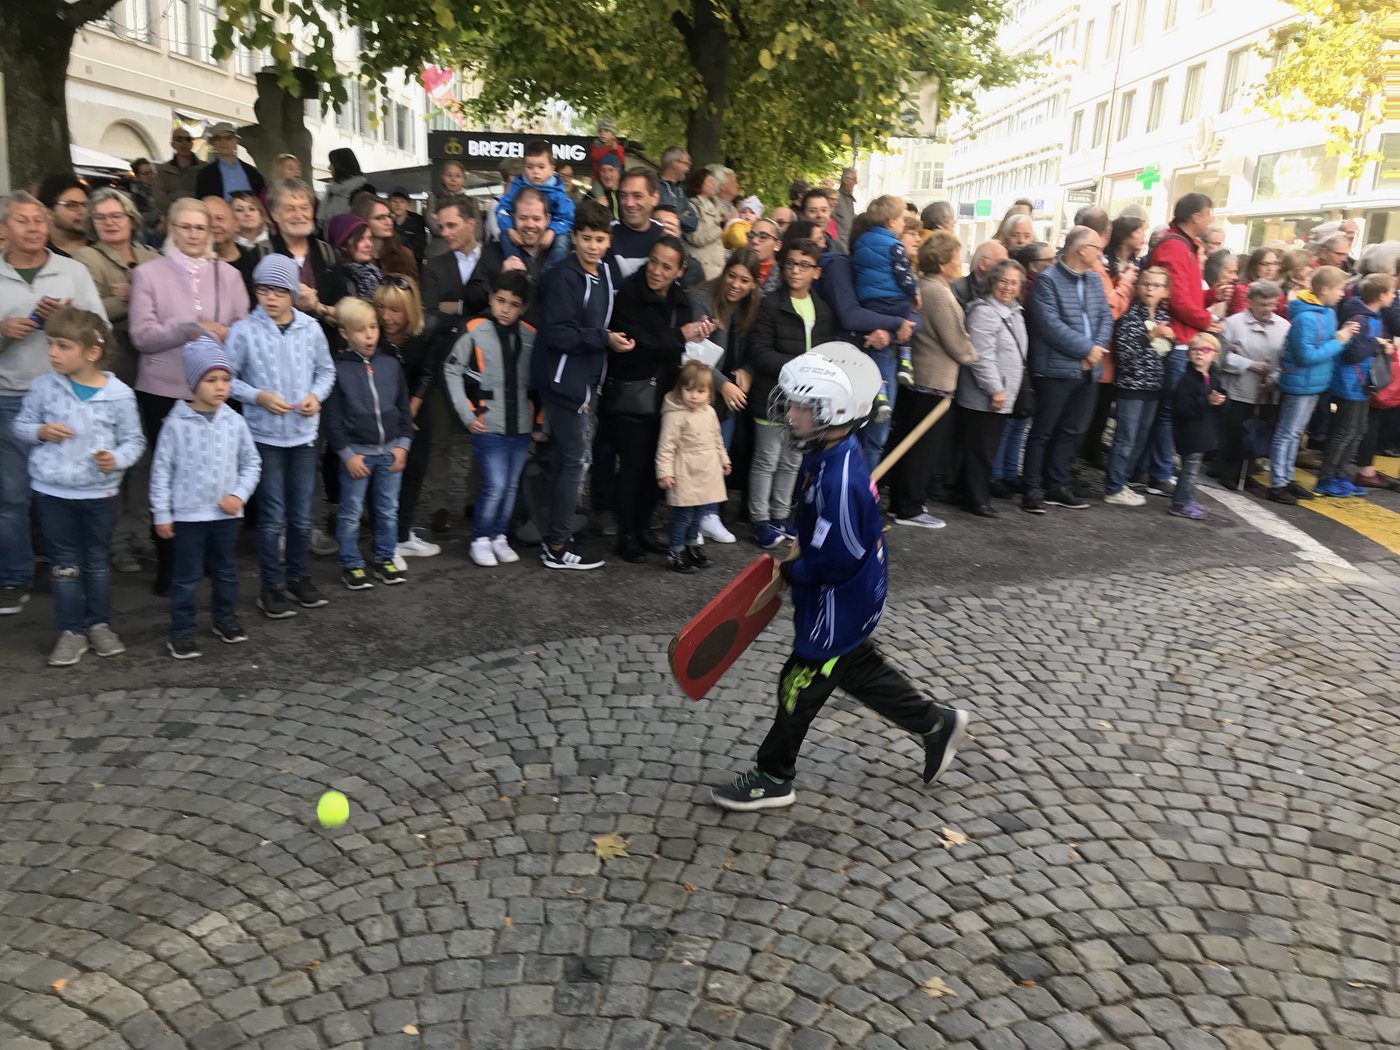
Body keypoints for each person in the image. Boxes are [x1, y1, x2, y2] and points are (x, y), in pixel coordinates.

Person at [711, 350, 968, 812]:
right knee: (855, 668)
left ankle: (773, 775)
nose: (790, 414)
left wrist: (795, 570)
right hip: (843, 598)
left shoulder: (840, 480)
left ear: (831, 414)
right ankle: (936, 724)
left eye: (800, 408)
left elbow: (840, 558)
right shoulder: (828, 455)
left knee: (798, 683)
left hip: (837, 600)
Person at [129, 197, 250, 593]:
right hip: (163, 389)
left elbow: (243, 330)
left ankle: (216, 562)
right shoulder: (149, 274)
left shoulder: (228, 275)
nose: (194, 235)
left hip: (216, 388)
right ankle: (172, 567)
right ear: (170, 228)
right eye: (185, 227)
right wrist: (189, 327)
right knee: (170, 475)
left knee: (218, 471)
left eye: (201, 227)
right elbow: (142, 336)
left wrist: (227, 333)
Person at [14, 307, 144, 666]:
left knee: (98, 562)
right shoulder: (43, 387)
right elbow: (21, 425)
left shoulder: (118, 394)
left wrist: (115, 459)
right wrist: (40, 431)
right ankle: (71, 630)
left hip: (98, 494)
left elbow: (134, 441)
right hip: (53, 492)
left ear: (92, 352)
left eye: (63, 346)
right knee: (64, 564)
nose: (53, 352)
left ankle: (99, 624)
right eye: (51, 344)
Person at [0, 192, 107, 617]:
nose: (32, 228)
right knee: (12, 496)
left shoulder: (72, 271)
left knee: (71, 487)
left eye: (38, 220)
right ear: (4, 228)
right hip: (9, 397)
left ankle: (76, 568)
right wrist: (4, 331)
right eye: (22, 221)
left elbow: (98, 331)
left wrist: (67, 322)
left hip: (65, 397)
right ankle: (14, 575)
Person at [227, 254, 336, 616]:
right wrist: (257, 396)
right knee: (272, 516)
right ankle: (271, 586)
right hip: (264, 436)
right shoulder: (245, 330)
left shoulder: (311, 328)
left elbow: (326, 372)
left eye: (279, 291)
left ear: (293, 293)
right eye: (263, 290)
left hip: (303, 435)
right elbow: (227, 378)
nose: (271, 298)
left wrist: (314, 397)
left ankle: (298, 577)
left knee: (302, 515)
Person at [150, 338, 261, 659]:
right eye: (211, 380)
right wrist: (162, 513)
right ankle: (182, 631)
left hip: (226, 517)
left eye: (225, 379)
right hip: (188, 518)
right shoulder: (174, 425)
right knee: (185, 578)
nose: (220, 387)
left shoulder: (235, 422)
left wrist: (239, 495)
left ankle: (224, 617)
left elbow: (252, 463)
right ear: (193, 382)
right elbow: (161, 472)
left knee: (226, 571)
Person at [603, 236, 712, 562]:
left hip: (667, 395)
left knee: (656, 468)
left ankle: (644, 528)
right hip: (632, 394)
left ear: (679, 271)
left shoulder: (679, 300)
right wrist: (680, 336)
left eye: (666, 266)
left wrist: (695, 338)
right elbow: (640, 344)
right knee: (632, 468)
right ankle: (627, 535)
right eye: (653, 261)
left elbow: (676, 347)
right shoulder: (628, 295)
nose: (657, 271)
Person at [531, 198, 621, 570]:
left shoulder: (605, 272)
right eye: (586, 238)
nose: (593, 246)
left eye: (599, 239)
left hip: (585, 382)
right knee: (573, 462)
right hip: (566, 384)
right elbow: (557, 334)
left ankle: (558, 531)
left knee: (569, 461)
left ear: (608, 241)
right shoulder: (565, 276)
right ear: (574, 237)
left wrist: (605, 340)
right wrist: (603, 338)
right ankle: (556, 546)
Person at [443, 271, 537, 568]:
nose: (505, 309)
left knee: (510, 485)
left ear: (523, 307)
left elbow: (541, 384)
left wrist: (540, 422)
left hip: (521, 424)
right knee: (495, 484)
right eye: (500, 301)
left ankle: (499, 536)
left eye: (513, 304)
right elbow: (452, 370)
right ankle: (480, 538)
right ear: (490, 299)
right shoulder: (474, 329)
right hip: (487, 423)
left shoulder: (531, 336)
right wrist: (466, 414)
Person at [747, 238, 833, 547]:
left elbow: (826, 352)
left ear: (816, 272)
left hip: (806, 401)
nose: (795, 270)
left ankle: (781, 514)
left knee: (792, 460)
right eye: (791, 264)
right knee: (766, 459)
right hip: (773, 396)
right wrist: (795, 364)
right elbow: (759, 351)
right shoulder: (771, 304)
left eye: (804, 265)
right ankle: (759, 519)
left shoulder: (821, 309)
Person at [1020, 226, 1112, 515]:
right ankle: (1031, 488)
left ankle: (1056, 485)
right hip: (1056, 370)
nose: (1100, 253)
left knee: (1071, 430)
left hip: (1088, 370)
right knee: (1044, 430)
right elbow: (1050, 325)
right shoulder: (1047, 281)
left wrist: (1095, 349)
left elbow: (1105, 318)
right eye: (1097, 247)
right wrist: (1087, 350)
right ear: (1081, 249)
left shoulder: (1095, 281)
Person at [890, 231, 977, 528]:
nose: (959, 263)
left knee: (911, 445)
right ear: (942, 263)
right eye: (955, 258)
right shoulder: (938, 292)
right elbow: (955, 340)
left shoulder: (924, 286)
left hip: (921, 378)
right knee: (922, 449)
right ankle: (910, 508)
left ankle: (904, 503)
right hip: (933, 380)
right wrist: (972, 354)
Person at [323, 296, 410, 589]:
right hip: (357, 456)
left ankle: (384, 557)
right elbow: (332, 419)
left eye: (373, 327)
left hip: (390, 452)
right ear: (345, 333)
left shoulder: (390, 364)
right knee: (350, 511)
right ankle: (351, 562)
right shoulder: (337, 369)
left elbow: (404, 409)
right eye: (361, 329)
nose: (370, 334)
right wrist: (347, 455)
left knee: (387, 509)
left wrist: (403, 444)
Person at [1140, 193, 1223, 498]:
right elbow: (1175, 299)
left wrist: (1210, 297)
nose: (1210, 219)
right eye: (1209, 213)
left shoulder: (1181, 245)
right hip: (1175, 340)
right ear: (1196, 217)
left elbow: (1185, 296)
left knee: (1165, 411)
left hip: (1181, 337)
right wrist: (1205, 319)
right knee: (1168, 411)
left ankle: (1156, 468)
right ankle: (1158, 471)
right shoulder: (1176, 247)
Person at [1268, 266, 1360, 504]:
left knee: (1295, 433)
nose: (1342, 294)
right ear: (1325, 289)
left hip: (1313, 383)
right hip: (1301, 382)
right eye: (1340, 289)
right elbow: (1306, 356)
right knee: (1287, 432)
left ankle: (1286, 479)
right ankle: (1277, 483)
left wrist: (1342, 337)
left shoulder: (1327, 312)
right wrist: (1340, 340)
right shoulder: (1307, 318)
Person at [689, 250, 761, 542]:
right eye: (732, 275)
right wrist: (723, 384)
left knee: (720, 454)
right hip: (699, 388)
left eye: (744, 280)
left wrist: (747, 370)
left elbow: (756, 348)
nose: (736, 284)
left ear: (754, 284)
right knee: (696, 455)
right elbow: (694, 354)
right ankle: (690, 519)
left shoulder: (751, 308)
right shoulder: (701, 299)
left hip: (728, 394)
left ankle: (709, 514)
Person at [370, 277, 441, 560]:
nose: (386, 317)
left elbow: (428, 372)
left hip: (415, 408)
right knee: (385, 476)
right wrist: (397, 419)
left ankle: (401, 534)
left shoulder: (425, 332)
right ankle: (383, 541)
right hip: (379, 412)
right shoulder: (372, 334)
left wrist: (409, 413)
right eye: (381, 308)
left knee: (415, 471)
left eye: (395, 310)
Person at [957, 260, 1027, 518]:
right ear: (992, 282)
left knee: (985, 449)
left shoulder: (1014, 311)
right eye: (1003, 281)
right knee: (980, 450)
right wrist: (995, 389)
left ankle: (973, 495)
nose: (1008, 287)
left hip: (1001, 395)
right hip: (985, 397)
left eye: (1014, 282)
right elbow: (982, 356)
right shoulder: (985, 312)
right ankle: (976, 499)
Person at [72, 189, 159, 386]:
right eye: (100, 217)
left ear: (131, 219)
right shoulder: (85, 257)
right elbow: (87, 312)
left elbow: (173, 301)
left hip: (157, 359)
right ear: (92, 223)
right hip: (114, 360)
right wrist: (140, 296)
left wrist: (137, 294)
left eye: (116, 216)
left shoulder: (152, 257)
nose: (109, 222)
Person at [1104, 266, 1174, 507]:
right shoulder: (1130, 315)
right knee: (1125, 438)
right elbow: (1124, 354)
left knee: (1140, 438)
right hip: (1131, 387)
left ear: (1166, 291)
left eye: (1156, 285)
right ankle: (1114, 487)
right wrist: (1151, 335)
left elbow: (1163, 354)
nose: (1150, 289)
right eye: (1146, 284)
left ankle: (1124, 481)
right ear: (1137, 287)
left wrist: (1168, 339)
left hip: (1154, 386)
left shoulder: (1164, 317)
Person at [1315, 273, 1389, 497]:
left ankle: (1340, 474)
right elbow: (1352, 353)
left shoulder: (1374, 317)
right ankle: (1327, 477)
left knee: (1358, 431)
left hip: (1361, 384)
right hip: (1350, 383)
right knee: (1344, 431)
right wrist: (1376, 343)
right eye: (1391, 293)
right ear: (1382, 295)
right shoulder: (1361, 319)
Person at [656, 359, 731, 573]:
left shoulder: (709, 412)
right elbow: (666, 446)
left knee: (699, 513)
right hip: (685, 471)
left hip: (707, 470)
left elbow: (717, 439)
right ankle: (676, 550)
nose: (694, 395)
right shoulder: (675, 414)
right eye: (688, 389)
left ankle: (692, 546)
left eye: (700, 391)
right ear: (680, 388)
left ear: (709, 393)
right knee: (684, 515)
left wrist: (724, 460)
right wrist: (665, 472)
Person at [1217, 279, 1288, 490]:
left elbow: (1288, 359)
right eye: (1262, 304)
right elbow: (1220, 356)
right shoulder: (1233, 323)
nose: (1268, 309)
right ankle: (1228, 471)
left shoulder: (1284, 326)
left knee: (1258, 432)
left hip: (1267, 390)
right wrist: (1248, 364)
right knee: (1235, 431)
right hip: (1239, 388)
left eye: (1272, 304)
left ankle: (1247, 471)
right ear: (1249, 302)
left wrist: (1275, 376)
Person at [852, 196, 920, 399]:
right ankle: (905, 361)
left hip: (869, 302)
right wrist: (913, 291)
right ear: (891, 221)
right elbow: (903, 275)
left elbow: (858, 269)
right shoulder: (894, 246)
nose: (902, 225)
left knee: (877, 347)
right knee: (908, 317)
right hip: (893, 300)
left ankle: (879, 392)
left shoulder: (860, 242)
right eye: (902, 220)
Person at [1345, 273, 1400, 490]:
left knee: (1364, 422)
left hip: (1374, 366)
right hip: (1369, 371)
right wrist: (1380, 344)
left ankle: (1358, 469)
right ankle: (1360, 469)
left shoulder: (1364, 304)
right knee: (1361, 423)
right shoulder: (1369, 310)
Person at [422, 197, 503, 337]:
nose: (444, 233)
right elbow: (431, 318)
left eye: (451, 225)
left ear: (471, 224)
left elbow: (503, 311)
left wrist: (459, 308)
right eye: (441, 227)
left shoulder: (496, 260)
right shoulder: (433, 267)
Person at [1169, 334, 1226, 520]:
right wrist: (1206, 401)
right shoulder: (1186, 379)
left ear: (1215, 355)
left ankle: (1187, 498)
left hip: (1202, 433)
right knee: (1189, 471)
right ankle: (1180, 502)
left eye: (1206, 350)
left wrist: (1222, 401)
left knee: (1192, 471)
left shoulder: (1212, 378)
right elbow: (1181, 408)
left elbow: (1221, 400)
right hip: (1190, 434)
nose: (1200, 353)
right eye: (1195, 349)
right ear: (1188, 353)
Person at [493, 140, 574, 270]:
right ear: (524, 167)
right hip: (521, 231)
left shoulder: (558, 190)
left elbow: (566, 216)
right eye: (530, 167)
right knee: (504, 236)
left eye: (541, 167)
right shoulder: (517, 185)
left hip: (552, 231)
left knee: (562, 242)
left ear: (552, 168)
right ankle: (518, 270)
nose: (535, 172)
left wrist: (553, 231)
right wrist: (509, 228)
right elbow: (502, 209)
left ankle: (550, 273)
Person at [610, 169, 663, 278]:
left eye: (637, 196)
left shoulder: (665, 234)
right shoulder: (605, 235)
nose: (629, 203)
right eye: (623, 195)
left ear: (655, 198)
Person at [195, 123, 265, 201]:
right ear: (213, 143)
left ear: (236, 141)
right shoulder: (205, 175)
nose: (223, 142)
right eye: (218, 139)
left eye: (228, 138)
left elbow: (261, 199)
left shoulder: (252, 172)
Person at [355, 196, 418, 280]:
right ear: (364, 220)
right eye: (380, 218)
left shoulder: (404, 254)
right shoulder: (355, 254)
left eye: (389, 216)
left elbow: (413, 289)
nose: (389, 222)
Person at [328, 214, 384, 302]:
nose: (369, 245)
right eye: (360, 239)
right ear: (343, 244)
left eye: (369, 238)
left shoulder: (372, 272)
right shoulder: (341, 278)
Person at [153, 128, 201, 229]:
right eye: (179, 139)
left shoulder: (204, 169)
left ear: (192, 144)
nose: (184, 143)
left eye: (188, 139)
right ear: (173, 144)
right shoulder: (163, 170)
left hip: (198, 218)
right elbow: (159, 198)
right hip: (172, 220)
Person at [684, 168, 726, 280]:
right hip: (701, 271)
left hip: (717, 271)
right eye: (711, 181)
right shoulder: (691, 207)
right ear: (699, 184)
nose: (714, 184)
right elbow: (697, 238)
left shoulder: (717, 207)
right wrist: (721, 225)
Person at [38, 174, 89, 258]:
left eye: (86, 205)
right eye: (72, 205)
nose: (83, 211)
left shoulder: (102, 250)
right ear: (49, 212)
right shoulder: (39, 255)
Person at [425, 160, 469, 257]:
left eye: (458, 176)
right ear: (443, 177)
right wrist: (461, 227)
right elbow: (434, 227)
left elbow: (478, 233)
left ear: (463, 179)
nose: (453, 179)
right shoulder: (433, 198)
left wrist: (442, 222)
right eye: (449, 175)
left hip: (465, 253)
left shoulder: (471, 201)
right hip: (439, 252)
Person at [949, 241, 1009, 311]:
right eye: (1002, 263)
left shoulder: (1004, 289)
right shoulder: (957, 291)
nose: (1007, 269)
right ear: (982, 264)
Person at [1227, 248, 1282, 316]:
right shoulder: (1241, 289)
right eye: (1265, 264)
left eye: (1274, 264)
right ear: (1254, 265)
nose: (1270, 268)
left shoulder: (1278, 291)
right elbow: (1243, 317)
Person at [320, 148, 367, 228]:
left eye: (332, 164)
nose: (329, 167)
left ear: (340, 165)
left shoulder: (362, 192)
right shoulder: (332, 191)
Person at [657, 147, 698, 234]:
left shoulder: (680, 191)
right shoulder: (654, 187)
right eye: (687, 164)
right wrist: (682, 216)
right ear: (674, 164)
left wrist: (674, 217)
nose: (689, 169)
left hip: (675, 245)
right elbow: (658, 220)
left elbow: (693, 223)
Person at [389, 188, 428, 263]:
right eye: (394, 201)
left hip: (413, 263)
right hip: (391, 263)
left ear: (408, 204)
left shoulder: (417, 220)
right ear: (389, 203)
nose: (398, 205)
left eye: (402, 202)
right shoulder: (386, 220)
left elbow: (420, 245)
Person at [801, 189, 843, 254]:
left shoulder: (838, 247)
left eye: (824, 210)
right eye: (813, 211)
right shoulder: (792, 245)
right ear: (803, 215)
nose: (820, 215)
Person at [1204, 249, 1239, 319]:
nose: (1236, 277)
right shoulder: (1203, 287)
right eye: (1230, 272)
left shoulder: (1233, 292)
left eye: (1236, 272)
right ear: (1217, 271)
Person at [592, 153, 624, 221]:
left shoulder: (627, 194)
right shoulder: (591, 196)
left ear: (618, 172)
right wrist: (597, 208)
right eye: (603, 171)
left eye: (611, 170)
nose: (607, 175)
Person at [834, 168, 858, 247]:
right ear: (846, 181)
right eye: (854, 179)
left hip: (847, 245)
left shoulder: (849, 198)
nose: (856, 182)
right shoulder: (835, 198)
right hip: (838, 246)